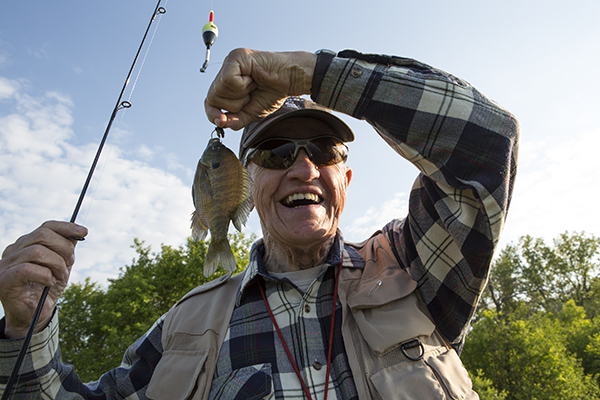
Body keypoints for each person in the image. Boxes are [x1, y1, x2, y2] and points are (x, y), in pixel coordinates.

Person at [0, 48, 519, 399]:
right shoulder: (185, 327)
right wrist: (28, 327)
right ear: (249, 183)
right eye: (274, 153)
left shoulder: (414, 268)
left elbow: (487, 139)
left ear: (346, 177)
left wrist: (304, 74)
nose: (303, 166)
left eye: (324, 150)